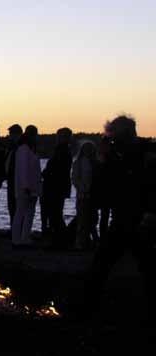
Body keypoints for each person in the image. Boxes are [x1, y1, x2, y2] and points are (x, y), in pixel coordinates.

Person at [84, 115, 156, 315]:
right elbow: (104, 187)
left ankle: (87, 306)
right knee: (103, 264)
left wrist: (150, 211)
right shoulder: (119, 155)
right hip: (124, 217)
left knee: (143, 265)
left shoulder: (144, 155)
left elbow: (149, 184)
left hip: (138, 218)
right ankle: (87, 306)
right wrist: (103, 159)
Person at [40, 128, 73, 247]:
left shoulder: (62, 151)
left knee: (55, 215)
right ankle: (59, 239)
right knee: (55, 214)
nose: (57, 138)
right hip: (58, 187)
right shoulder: (63, 151)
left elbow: (56, 170)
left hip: (55, 188)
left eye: (59, 136)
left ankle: (60, 240)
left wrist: (44, 174)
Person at [12, 125, 41, 247]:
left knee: (30, 213)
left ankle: (25, 237)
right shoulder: (23, 149)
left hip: (33, 187)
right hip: (25, 187)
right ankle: (16, 239)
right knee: (20, 212)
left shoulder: (31, 149)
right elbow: (23, 169)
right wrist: (25, 186)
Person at [72, 141, 98, 250]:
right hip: (83, 195)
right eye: (86, 149)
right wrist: (82, 189)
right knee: (82, 220)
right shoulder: (78, 162)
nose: (88, 151)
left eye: (90, 149)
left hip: (94, 196)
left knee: (93, 219)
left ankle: (91, 240)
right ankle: (80, 243)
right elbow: (75, 179)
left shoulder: (95, 162)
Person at [5, 124, 23, 228]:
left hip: (16, 181)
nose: (9, 135)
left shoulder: (20, 147)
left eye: (11, 133)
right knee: (12, 206)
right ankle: (14, 227)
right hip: (11, 181)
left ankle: (16, 229)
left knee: (15, 206)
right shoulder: (12, 147)